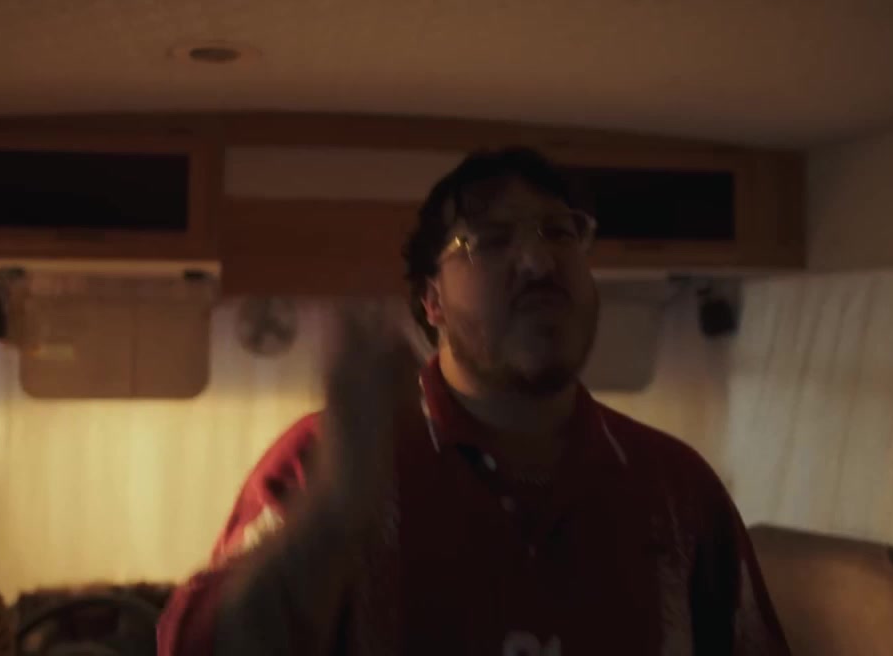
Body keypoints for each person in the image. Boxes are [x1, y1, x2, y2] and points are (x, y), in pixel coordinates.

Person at [158, 148, 790, 655]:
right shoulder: (319, 463)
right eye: (489, 239)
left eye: (560, 231)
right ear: (431, 301)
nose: (539, 260)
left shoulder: (678, 489)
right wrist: (336, 512)